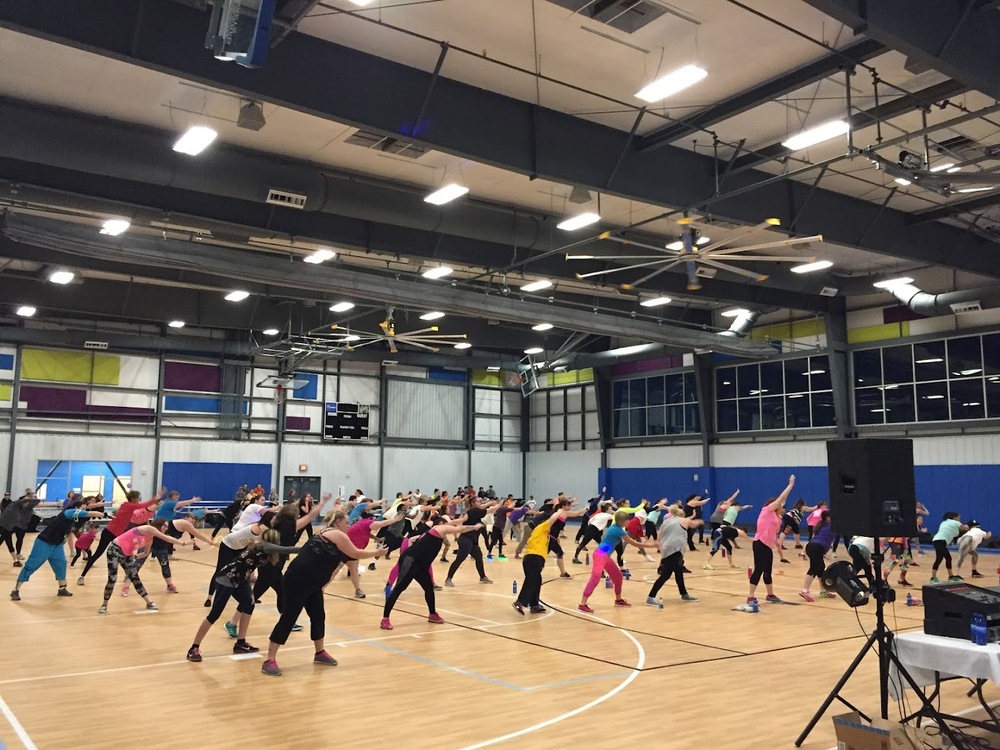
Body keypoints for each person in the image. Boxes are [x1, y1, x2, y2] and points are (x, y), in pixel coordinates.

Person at [261, 511, 385, 676]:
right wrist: (376, 553)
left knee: (318, 616)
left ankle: (319, 653)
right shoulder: (335, 534)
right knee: (289, 617)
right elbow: (354, 554)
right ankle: (269, 659)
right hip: (298, 580)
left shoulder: (332, 534)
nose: (348, 525)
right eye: (346, 522)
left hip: (313, 582)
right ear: (339, 522)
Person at [187, 528, 299, 662]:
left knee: (249, 605)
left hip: (240, 579)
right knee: (215, 614)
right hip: (228, 578)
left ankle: (241, 643)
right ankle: (194, 647)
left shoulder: (264, 550)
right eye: (278, 540)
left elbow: (248, 567)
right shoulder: (264, 546)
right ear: (273, 540)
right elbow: (287, 549)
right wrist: (307, 548)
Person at [382, 516, 482, 629]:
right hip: (411, 561)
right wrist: (474, 527)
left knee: (429, 588)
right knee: (399, 588)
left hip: (421, 565)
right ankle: (385, 619)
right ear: (441, 523)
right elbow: (459, 529)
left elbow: (454, 524)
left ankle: (432, 614)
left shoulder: (434, 532)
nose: (449, 526)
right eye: (447, 524)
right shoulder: (439, 528)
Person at [10, 499, 105, 601]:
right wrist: (101, 513)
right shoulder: (69, 512)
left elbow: (69, 534)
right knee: (32, 565)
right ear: (77, 508)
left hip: (57, 545)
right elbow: (90, 513)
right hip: (44, 542)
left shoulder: (73, 521)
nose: (83, 511)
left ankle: (62, 588)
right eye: (82, 509)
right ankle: (15, 590)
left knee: (61, 564)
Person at [99, 520, 193, 614]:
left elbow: (146, 553)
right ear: (158, 524)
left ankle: (149, 602)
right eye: (164, 525)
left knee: (135, 577)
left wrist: (136, 556)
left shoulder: (150, 539)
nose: (165, 528)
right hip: (114, 550)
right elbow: (166, 538)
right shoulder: (149, 529)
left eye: (167, 527)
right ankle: (104, 604)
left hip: (127, 554)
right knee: (112, 578)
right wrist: (183, 543)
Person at [78, 488, 164, 585]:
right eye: (138, 498)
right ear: (134, 499)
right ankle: (82, 576)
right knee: (98, 553)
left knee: (125, 555)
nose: (139, 500)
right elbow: (144, 505)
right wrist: (156, 498)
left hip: (117, 535)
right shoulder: (130, 506)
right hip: (108, 532)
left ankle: (129, 576)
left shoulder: (126, 505)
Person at [577, 510, 659, 613]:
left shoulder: (616, 528)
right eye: (628, 519)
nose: (629, 521)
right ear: (623, 521)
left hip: (604, 555)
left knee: (618, 576)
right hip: (600, 555)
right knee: (595, 578)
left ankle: (618, 600)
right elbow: (634, 543)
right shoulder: (618, 531)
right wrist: (652, 545)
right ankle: (582, 604)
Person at [738, 474, 795, 612]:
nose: (783, 507)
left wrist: (777, 544)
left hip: (768, 546)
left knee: (768, 571)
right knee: (759, 569)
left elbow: (774, 533)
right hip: (760, 543)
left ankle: (770, 595)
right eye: (781, 506)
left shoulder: (778, 518)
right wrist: (790, 485)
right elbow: (781, 498)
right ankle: (750, 596)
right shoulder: (767, 510)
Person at [513, 499, 575, 615]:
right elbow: (553, 518)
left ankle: (534, 605)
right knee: (532, 580)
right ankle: (520, 602)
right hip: (534, 557)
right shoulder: (542, 528)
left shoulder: (545, 535)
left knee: (536, 580)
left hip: (533, 558)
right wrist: (559, 510)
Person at [646, 505, 700, 608]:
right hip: (675, 549)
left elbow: (659, 534)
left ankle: (684, 594)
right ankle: (651, 597)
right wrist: (700, 521)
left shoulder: (666, 521)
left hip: (666, 548)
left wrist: (658, 543)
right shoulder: (683, 520)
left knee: (679, 572)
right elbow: (693, 524)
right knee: (666, 574)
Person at [444, 495, 501, 587]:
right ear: (473, 504)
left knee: (479, 556)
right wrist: (499, 504)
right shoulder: (476, 511)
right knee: (460, 559)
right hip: (466, 540)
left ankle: (482, 577)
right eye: (478, 502)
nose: (480, 503)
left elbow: (462, 519)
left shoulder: (472, 511)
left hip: (472, 540)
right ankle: (448, 579)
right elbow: (490, 510)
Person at [150, 514, 215, 593]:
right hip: (151, 543)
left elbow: (170, 539)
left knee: (165, 566)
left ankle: (170, 585)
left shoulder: (183, 525)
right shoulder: (185, 523)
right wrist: (210, 542)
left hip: (161, 547)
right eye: (192, 518)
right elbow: (198, 534)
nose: (193, 520)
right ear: (186, 517)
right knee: (139, 563)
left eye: (194, 519)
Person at [799, 510, 835, 602]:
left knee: (821, 567)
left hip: (811, 546)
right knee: (814, 568)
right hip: (816, 547)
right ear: (828, 518)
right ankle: (805, 590)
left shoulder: (821, 524)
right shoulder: (831, 525)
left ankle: (823, 590)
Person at [930, 512, 967, 583]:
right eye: (959, 518)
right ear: (954, 517)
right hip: (939, 541)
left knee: (948, 558)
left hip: (939, 541)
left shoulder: (944, 522)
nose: (960, 519)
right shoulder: (955, 522)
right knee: (939, 559)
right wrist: (971, 525)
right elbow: (965, 528)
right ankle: (933, 578)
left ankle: (951, 576)